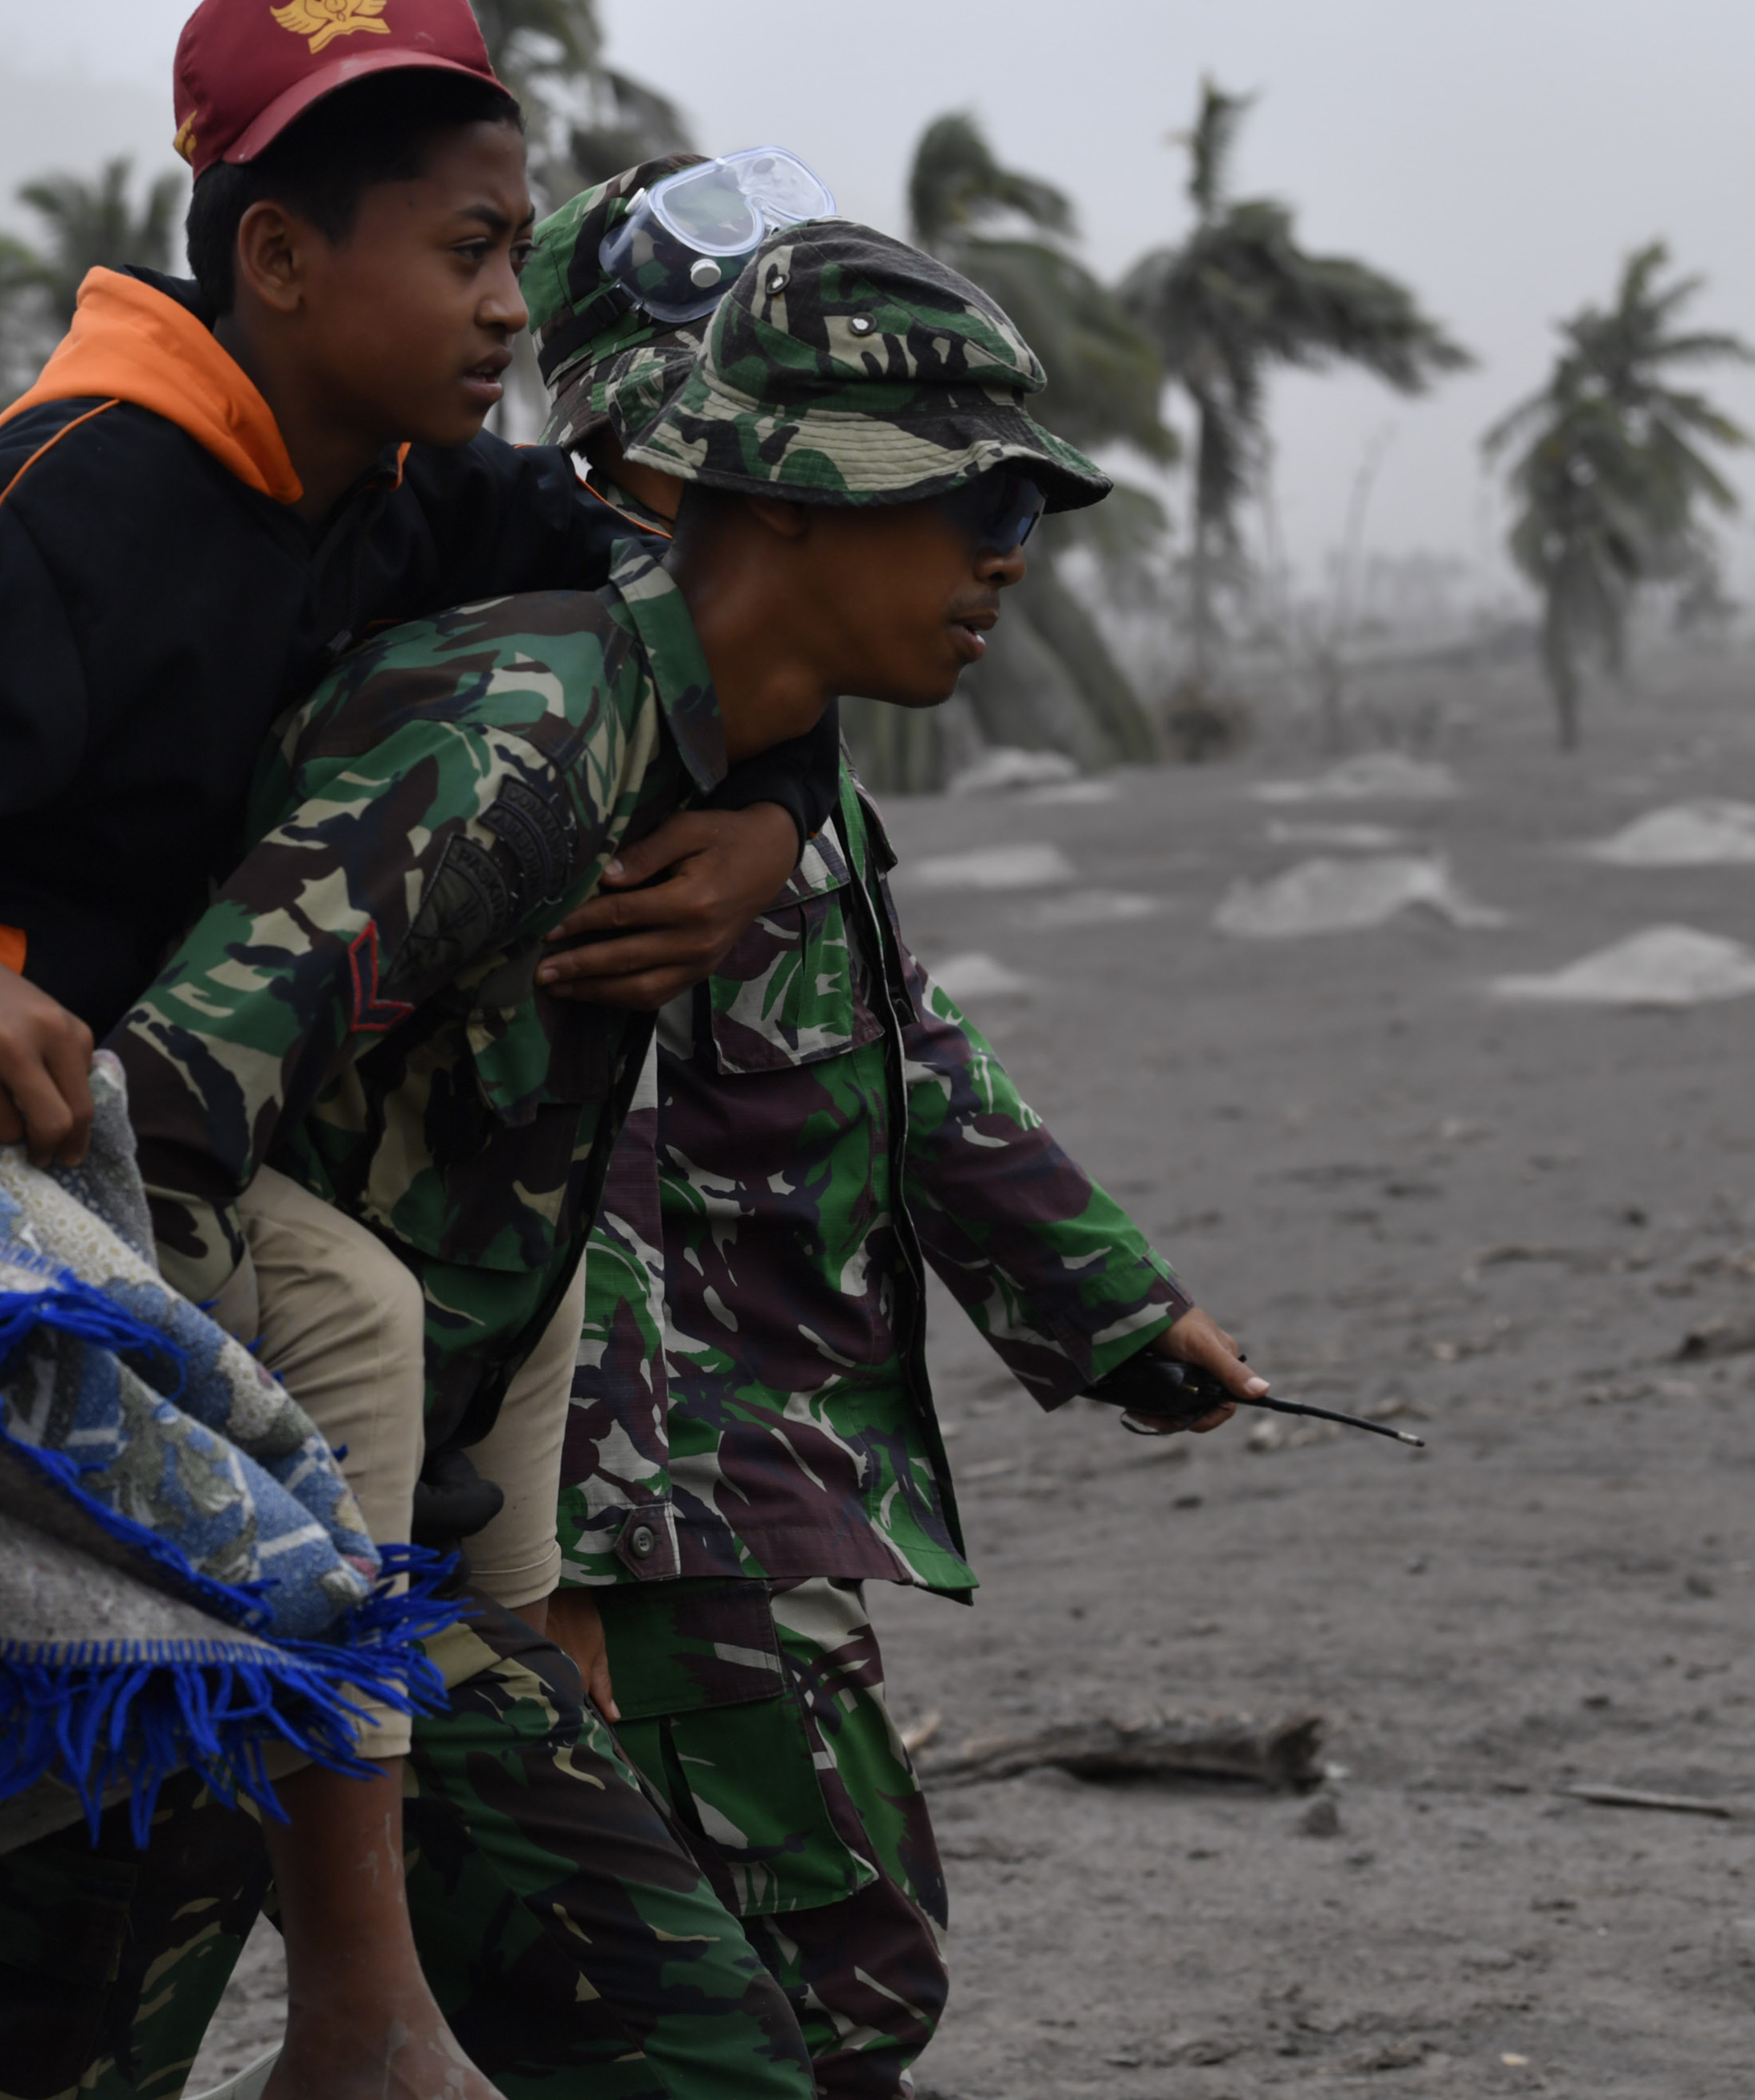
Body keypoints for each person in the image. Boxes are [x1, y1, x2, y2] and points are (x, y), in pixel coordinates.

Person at [0, 0, 823, 2086]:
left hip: (158, 1148)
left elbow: (681, 614)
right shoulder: (66, 503)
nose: (502, 310)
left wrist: (767, 810)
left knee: (531, 1284)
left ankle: (505, 1682)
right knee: (360, 1317)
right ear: (280, 258)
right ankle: (358, 1986)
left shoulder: (403, 484)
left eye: (514, 253)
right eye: (464, 253)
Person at [522, 198, 1266, 2098]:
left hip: (754, 1441)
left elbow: (890, 1036)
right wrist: (577, 1535)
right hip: (664, 1464)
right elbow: (541, 1138)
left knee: (807, 1968)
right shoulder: (559, 721)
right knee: (802, 1985)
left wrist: (1104, 1302)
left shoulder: (772, 736)